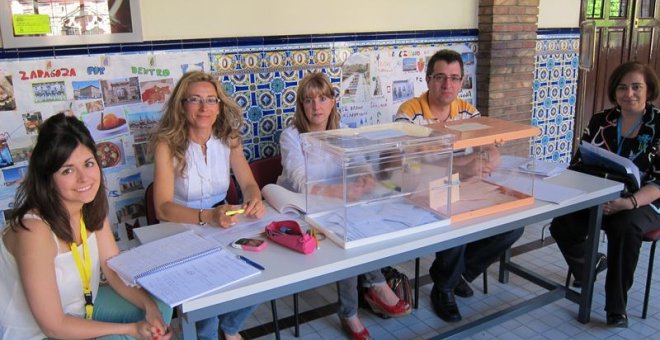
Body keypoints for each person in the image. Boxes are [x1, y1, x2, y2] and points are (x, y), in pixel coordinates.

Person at [0, 113, 172, 339]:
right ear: (47, 178)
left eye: (88, 164)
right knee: (120, 336)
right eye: (67, 170)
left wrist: (150, 309)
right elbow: (53, 326)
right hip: (36, 333)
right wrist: (130, 329)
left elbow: (113, 270)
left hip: (82, 307)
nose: (84, 178)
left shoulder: (88, 207)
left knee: (160, 309)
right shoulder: (33, 231)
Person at [277, 72, 411, 340]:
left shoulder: (343, 130)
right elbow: (300, 181)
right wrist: (337, 191)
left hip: (337, 202)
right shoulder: (291, 136)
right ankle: (364, 296)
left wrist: (365, 175)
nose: (316, 106)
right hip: (299, 206)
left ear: (333, 101)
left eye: (323, 98)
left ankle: (358, 302)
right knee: (345, 234)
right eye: (309, 100)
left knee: (360, 223)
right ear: (301, 105)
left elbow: (359, 160)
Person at [394, 49, 523, 322]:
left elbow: (490, 148)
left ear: (462, 81)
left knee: (514, 224)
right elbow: (411, 167)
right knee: (456, 220)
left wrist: (487, 157)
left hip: (467, 185)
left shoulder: (467, 111)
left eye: (454, 78)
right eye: (440, 77)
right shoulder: (409, 112)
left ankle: (461, 274)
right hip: (420, 191)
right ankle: (444, 288)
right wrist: (463, 166)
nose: (447, 85)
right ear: (428, 79)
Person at [151, 71, 265, 340]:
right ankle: (211, 331)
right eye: (195, 100)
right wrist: (207, 216)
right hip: (180, 227)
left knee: (260, 274)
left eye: (211, 100)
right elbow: (162, 208)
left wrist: (254, 198)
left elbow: (249, 184)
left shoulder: (229, 138)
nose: (204, 108)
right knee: (207, 305)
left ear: (219, 106)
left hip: (223, 221)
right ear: (182, 106)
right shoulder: (166, 144)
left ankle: (230, 327)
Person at [550, 61, 660, 328]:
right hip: (599, 196)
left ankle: (616, 307)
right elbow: (578, 165)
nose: (629, 93)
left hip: (643, 201)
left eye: (636, 87)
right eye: (622, 87)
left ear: (648, 91)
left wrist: (627, 202)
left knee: (625, 228)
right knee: (562, 224)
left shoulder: (658, 126)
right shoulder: (602, 120)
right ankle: (589, 266)